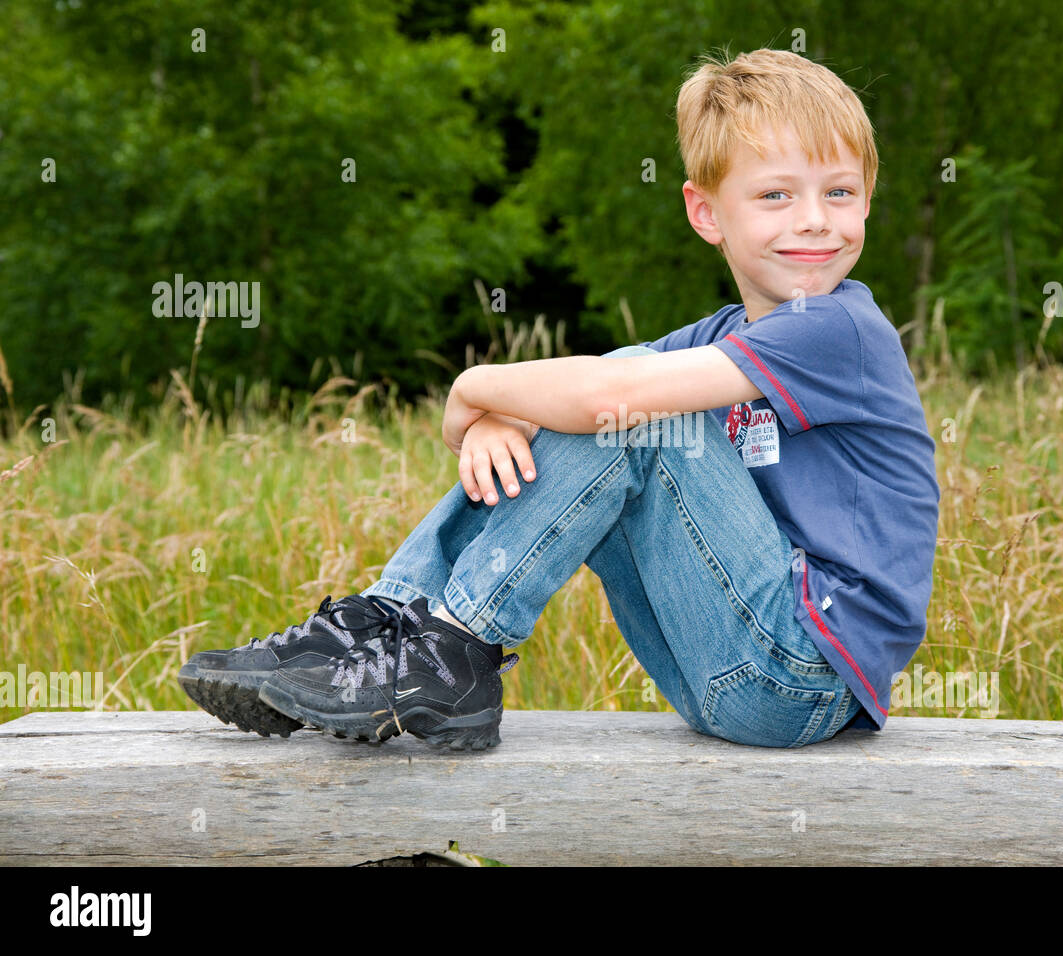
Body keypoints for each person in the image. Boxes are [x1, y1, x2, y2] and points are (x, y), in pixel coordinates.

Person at [178, 47, 940, 752]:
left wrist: (473, 389)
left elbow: (608, 395)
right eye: (776, 194)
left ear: (868, 200)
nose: (814, 219)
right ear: (706, 212)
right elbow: (585, 393)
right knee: (615, 401)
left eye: (839, 192)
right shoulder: (723, 337)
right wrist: (505, 419)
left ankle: (454, 644)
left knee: (634, 412)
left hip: (803, 675)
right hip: (713, 665)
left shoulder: (839, 328)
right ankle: (390, 621)